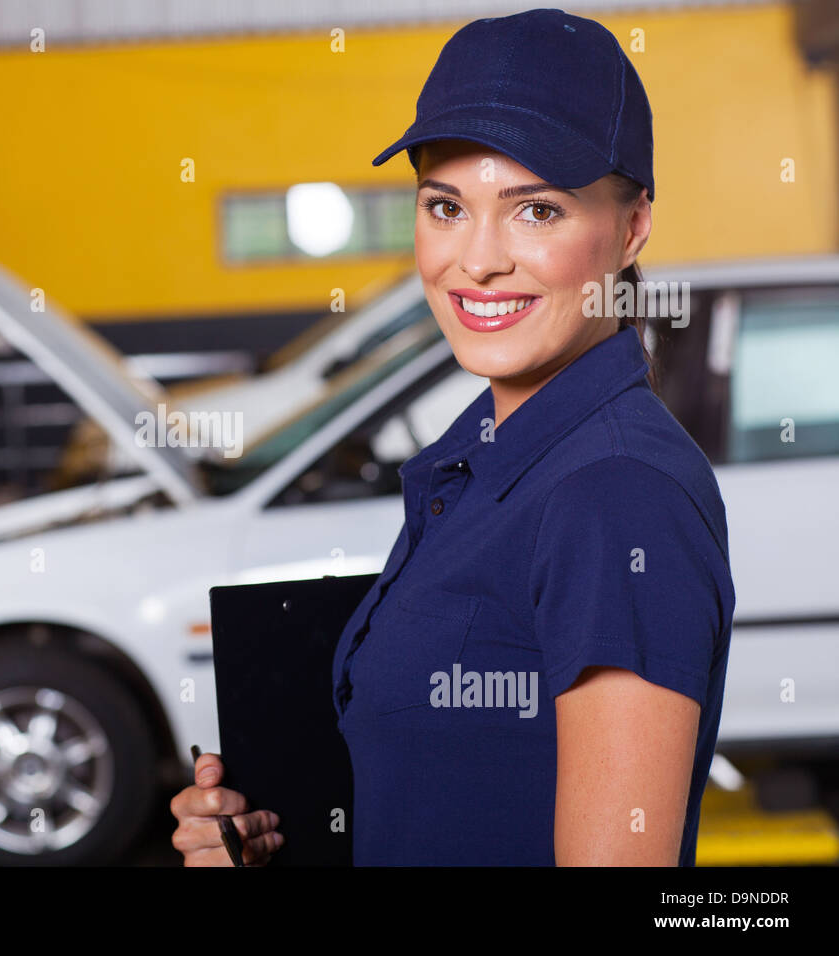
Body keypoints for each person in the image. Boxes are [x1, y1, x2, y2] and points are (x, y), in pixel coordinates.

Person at [170, 8, 735, 866]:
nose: (477, 261)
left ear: (631, 229)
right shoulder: (485, 454)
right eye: (446, 206)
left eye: (535, 212)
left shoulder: (616, 496)